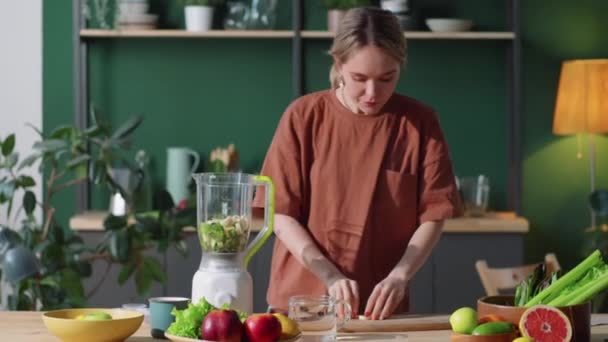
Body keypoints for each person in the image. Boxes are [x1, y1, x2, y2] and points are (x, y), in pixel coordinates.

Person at [254, 7, 461, 320]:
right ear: (339, 63)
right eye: (359, 78)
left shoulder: (420, 123)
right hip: (299, 308)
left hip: (380, 311)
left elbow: (434, 215)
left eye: (386, 78)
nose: (372, 93)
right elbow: (281, 215)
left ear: (400, 67)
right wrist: (330, 275)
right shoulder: (303, 116)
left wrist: (400, 276)